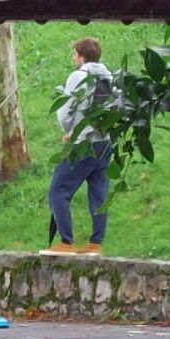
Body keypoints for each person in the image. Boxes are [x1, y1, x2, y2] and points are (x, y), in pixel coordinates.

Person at [45, 36, 115, 257]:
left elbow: (67, 110)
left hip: (84, 144)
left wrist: (70, 132)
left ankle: (66, 242)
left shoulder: (78, 76)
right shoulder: (108, 76)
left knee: (58, 190)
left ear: (82, 56)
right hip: (105, 143)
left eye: (75, 53)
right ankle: (96, 243)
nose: (73, 57)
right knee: (99, 193)